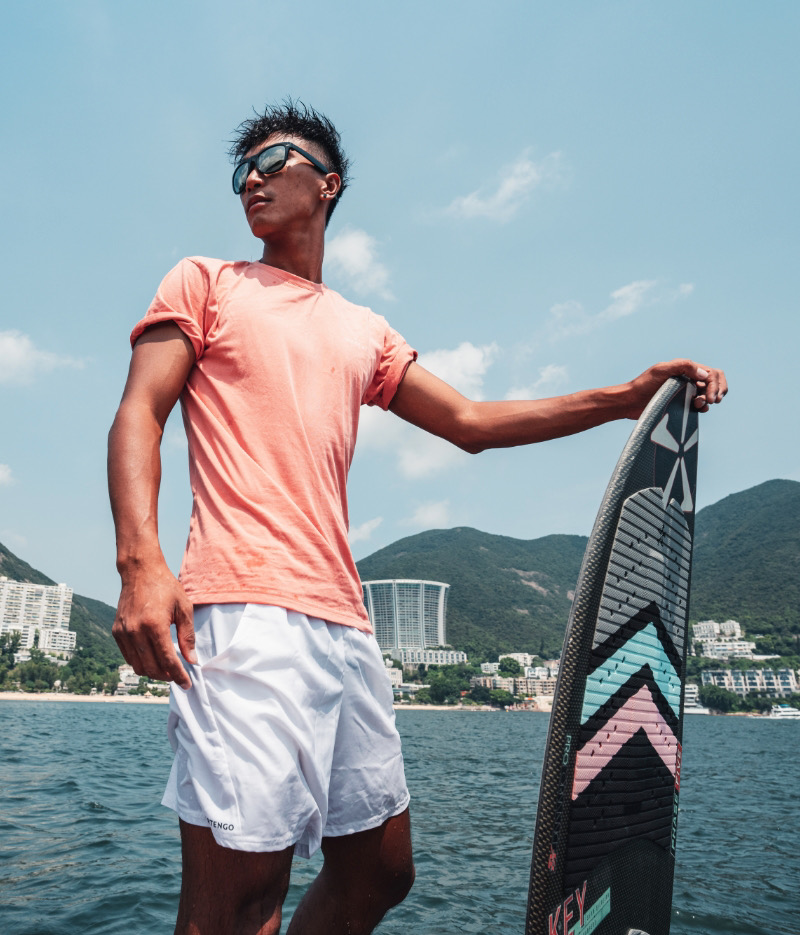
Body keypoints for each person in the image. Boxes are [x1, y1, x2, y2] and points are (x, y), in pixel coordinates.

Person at [107, 101, 727, 935]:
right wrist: (140, 563)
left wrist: (624, 398)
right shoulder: (205, 281)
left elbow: (470, 422)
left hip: (344, 626)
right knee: (239, 902)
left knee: (381, 871)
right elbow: (139, 412)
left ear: (327, 184)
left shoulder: (363, 330)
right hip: (245, 613)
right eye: (240, 171)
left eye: (272, 160)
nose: (250, 179)